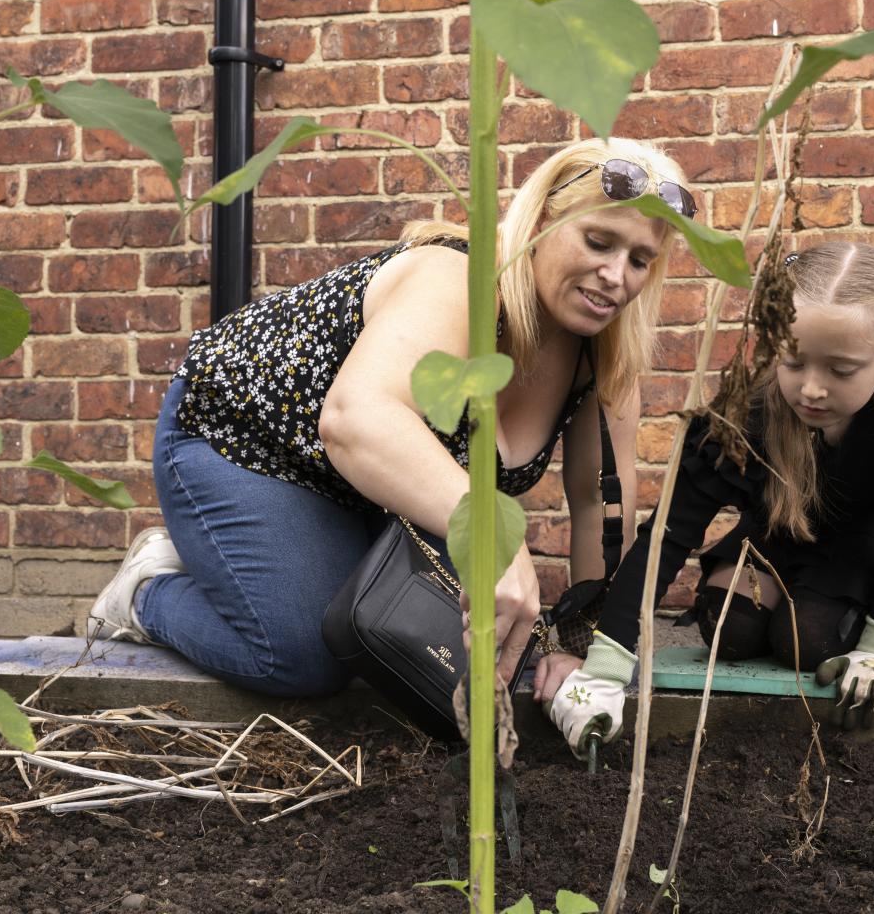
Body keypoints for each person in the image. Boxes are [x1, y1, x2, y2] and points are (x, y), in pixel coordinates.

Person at [85, 137, 698, 697]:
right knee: (304, 657)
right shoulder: (456, 278)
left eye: (640, 259)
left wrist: (586, 650)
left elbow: (599, 505)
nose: (617, 277)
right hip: (241, 444)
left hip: (366, 488)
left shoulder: (602, 355)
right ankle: (147, 590)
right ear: (540, 221)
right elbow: (358, 420)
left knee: (485, 657)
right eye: (598, 241)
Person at [536, 241, 874, 754]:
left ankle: (869, 631)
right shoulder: (746, 420)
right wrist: (606, 669)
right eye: (793, 360)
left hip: (865, 564)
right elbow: (666, 540)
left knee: (807, 639)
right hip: (771, 549)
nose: (811, 389)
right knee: (731, 628)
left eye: (841, 370)